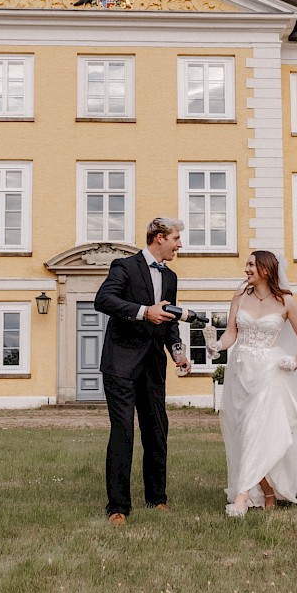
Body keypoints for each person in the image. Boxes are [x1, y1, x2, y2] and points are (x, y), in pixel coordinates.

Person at [207, 250, 297, 517]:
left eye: (251, 264)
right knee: (244, 433)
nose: (246, 269)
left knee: (257, 428)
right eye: (246, 264)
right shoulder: (239, 297)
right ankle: (266, 492)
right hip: (241, 372)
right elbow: (232, 333)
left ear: (265, 269)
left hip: (271, 372)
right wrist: (217, 345)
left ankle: (241, 499)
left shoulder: (286, 301)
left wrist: (296, 362)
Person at [94, 217, 191, 526]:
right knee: (123, 432)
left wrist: (177, 354)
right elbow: (103, 300)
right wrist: (143, 312)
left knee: (157, 431)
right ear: (158, 237)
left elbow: (170, 320)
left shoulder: (171, 277)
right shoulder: (124, 267)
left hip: (153, 364)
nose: (179, 244)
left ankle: (157, 498)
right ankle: (118, 507)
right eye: (175, 238)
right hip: (120, 365)